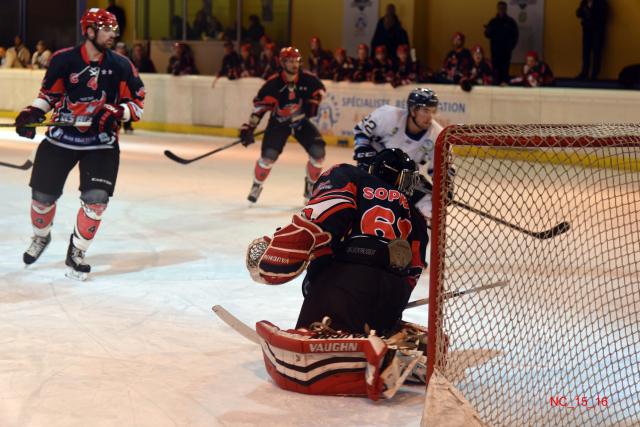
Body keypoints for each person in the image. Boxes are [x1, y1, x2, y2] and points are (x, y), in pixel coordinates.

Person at [246, 149, 429, 399]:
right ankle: (387, 336)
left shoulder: (351, 176)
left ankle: (345, 340)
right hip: (392, 293)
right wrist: (387, 307)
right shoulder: (417, 217)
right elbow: (413, 273)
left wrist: (314, 281)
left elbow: (326, 220)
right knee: (374, 319)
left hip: (347, 282)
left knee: (315, 329)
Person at [14, 8, 144, 281]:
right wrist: (33, 113)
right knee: (42, 198)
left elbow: (138, 103)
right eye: (106, 29)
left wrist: (119, 113)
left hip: (101, 143)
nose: (112, 34)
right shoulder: (64, 60)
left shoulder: (121, 65)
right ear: (89, 31)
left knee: (96, 202)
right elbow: (48, 95)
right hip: (61, 139)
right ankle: (41, 237)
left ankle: (77, 251)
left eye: (113, 29)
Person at [239, 47, 326, 204]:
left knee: (318, 153)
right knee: (268, 158)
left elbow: (320, 89)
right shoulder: (273, 84)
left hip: (300, 122)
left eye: (296, 61)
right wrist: (250, 127)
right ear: (282, 62)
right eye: (290, 61)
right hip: (279, 123)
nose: (294, 65)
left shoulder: (307, 78)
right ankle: (257, 185)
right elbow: (259, 108)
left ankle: (310, 186)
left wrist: (315, 100)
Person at [353, 88, 444, 223]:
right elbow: (361, 130)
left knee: (430, 206)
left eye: (433, 111)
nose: (430, 117)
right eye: (425, 111)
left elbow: (442, 168)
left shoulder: (437, 135)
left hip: (405, 177)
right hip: (375, 169)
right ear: (413, 110)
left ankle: (417, 239)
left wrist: (444, 187)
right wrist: (364, 157)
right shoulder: (389, 116)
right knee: (364, 208)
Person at [484, 1, 519, 85]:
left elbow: (515, 36)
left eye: (503, 8)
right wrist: (487, 30)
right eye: (500, 8)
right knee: (495, 72)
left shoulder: (511, 22)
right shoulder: (493, 21)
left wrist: (510, 47)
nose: (501, 10)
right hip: (495, 52)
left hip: (506, 52)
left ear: (506, 9)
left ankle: (505, 88)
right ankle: (495, 87)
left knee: (505, 71)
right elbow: (487, 35)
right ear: (497, 9)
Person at [576, 0, 608, 80]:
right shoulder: (584, 2)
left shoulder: (601, 3)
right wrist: (586, 9)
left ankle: (594, 74)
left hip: (597, 32)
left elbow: (602, 17)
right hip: (587, 31)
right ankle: (584, 73)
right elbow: (578, 13)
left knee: (596, 53)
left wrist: (590, 11)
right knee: (586, 53)